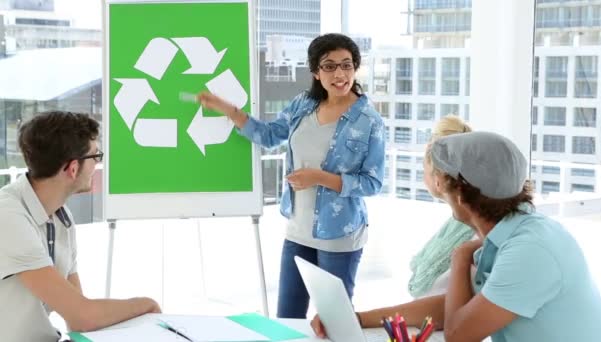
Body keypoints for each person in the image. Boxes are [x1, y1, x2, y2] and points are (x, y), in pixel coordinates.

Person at [198, 33, 385, 318]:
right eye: (330, 66)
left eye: (347, 65)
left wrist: (319, 177)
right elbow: (270, 135)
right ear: (315, 72)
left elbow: (372, 183)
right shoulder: (303, 105)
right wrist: (225, 108)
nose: (340, 74)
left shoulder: (369, 120)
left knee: (334, 320)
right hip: (298, 230)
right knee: (287, 318)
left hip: (340, 234)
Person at [429, 131, 601, 341]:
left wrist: (460, 258)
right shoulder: (518, 233)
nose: (437, 188)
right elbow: (467, 306)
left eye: (439, 181)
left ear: (459, 194)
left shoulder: (528, 250)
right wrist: (380, 315)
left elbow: (459, 335)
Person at [0, 111, 161, 342]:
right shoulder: (8, 215)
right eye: (95, 156)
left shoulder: (61, 216)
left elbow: (78, 315)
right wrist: (146, 304)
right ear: (73, 168)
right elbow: (83, 316)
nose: (97, 163)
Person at [312, 115, 475, 337]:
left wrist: (359, 318)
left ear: (438, 176)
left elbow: (445, 307)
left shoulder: (474, 233)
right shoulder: (461, 221)